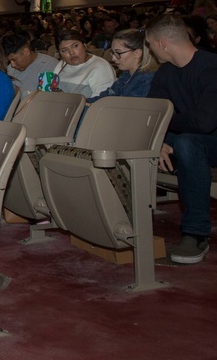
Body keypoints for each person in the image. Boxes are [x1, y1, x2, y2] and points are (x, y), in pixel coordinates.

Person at [145, 14, 217, 264]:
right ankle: (124, 222)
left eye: (150, 45)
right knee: (135, 137)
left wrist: (166, 126)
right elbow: (153, 115)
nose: (150, 51)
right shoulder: (165, 73)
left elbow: (204, 123)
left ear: (163, 43)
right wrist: (159, 137)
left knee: (188, 143)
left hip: (210, 141)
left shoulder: (211, 67)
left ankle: (195, 233)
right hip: (184, 139)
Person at [87, 28, 158, 103]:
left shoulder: (146, 79)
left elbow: (128, 109)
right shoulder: (126, 74)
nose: (113, 58)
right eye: (113, 52)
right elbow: (105, 97)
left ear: (137, 53)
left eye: (118, 53)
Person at [53, 30, 116, 98]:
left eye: (75, 46)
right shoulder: (61, 65)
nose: (71, 52)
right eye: (64, 50)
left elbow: (102, 101)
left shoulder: (100, 66)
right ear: (60, 54)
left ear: (85, 45)